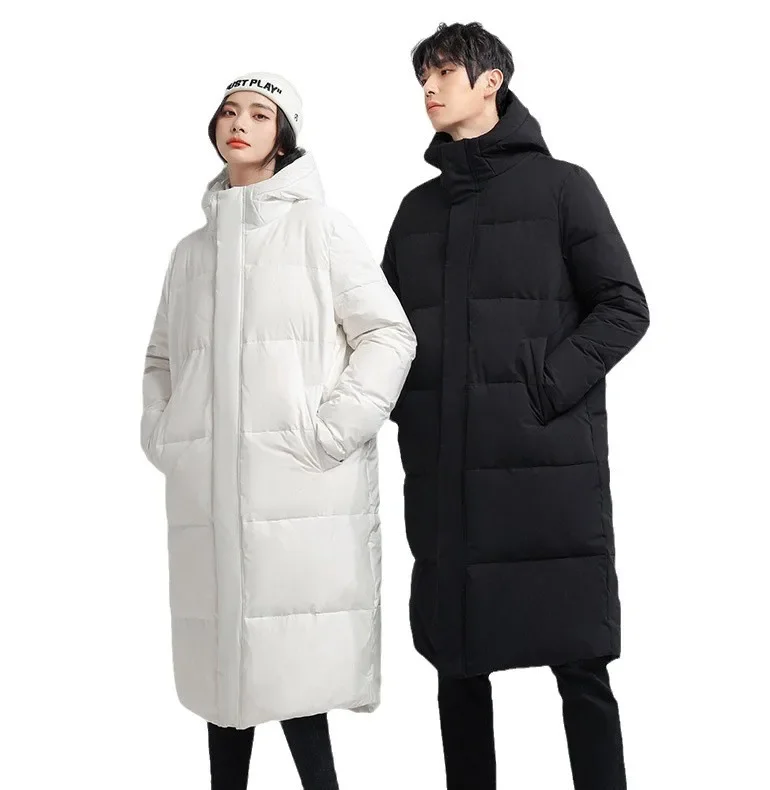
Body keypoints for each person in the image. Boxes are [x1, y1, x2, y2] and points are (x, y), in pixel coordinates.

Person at [380, 23, 650, 790]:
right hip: (446, 468)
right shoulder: (418, 210)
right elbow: (383, 334)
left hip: (546, 468)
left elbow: (624, 307)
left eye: (443, 73)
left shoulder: (563, 188)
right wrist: (408, 408)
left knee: (580, 664)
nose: (429, 90)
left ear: (490, 80)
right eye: (422, 78)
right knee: (458, 663)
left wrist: (546, 385)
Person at [139, 70, 417, 790]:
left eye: (260, 114)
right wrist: (167, 437)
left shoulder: (320, 228)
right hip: (208, 492)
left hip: (300, 486)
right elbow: (162, 359)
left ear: (283, 136)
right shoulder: (191, 252)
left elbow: (388, 334)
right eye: (230, 111)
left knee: (294, 679)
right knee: (224, 684)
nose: (240, 123)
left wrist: (330, 432)